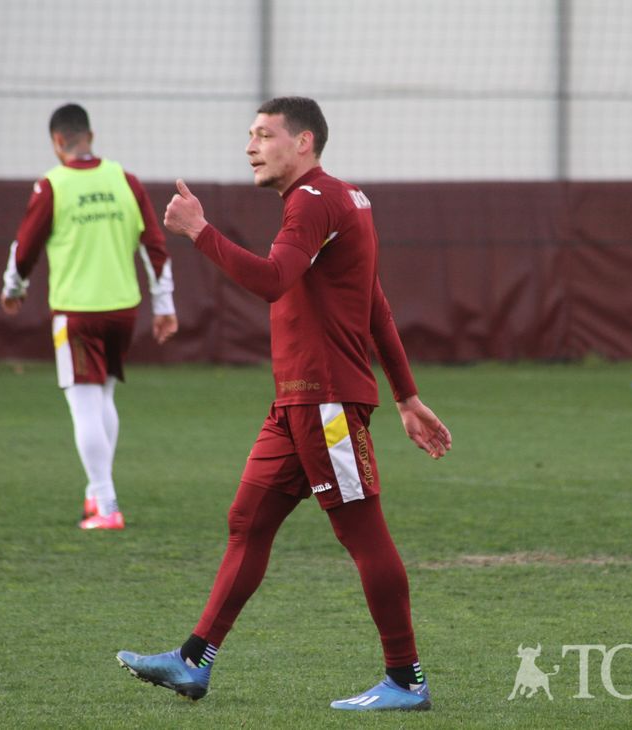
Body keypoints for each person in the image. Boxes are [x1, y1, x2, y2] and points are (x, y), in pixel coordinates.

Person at [116, 97, 451, 711]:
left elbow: (272, 279)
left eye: (264, 135)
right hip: (297, 403)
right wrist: (406, 395)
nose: (250, 146)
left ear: (304, 143)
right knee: (248, 522)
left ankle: (407, 680)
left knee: (363, 534)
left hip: (323, 402)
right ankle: (193, 661)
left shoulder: (313, 200)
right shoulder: (345, 200)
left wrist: (199, 231)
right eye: (249, 134)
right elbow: (372, 300)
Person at [0, 103, 178, 530]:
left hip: (76, 313)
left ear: (57, 142)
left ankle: (106, 504)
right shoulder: (125, 180)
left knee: (84, 406)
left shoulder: (52, 186)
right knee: (103, 400)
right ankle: (95, 493)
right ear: (90, 137)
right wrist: (165, 305)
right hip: (123, 311)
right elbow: (154, 245)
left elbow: (24, 248)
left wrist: (13, 288)